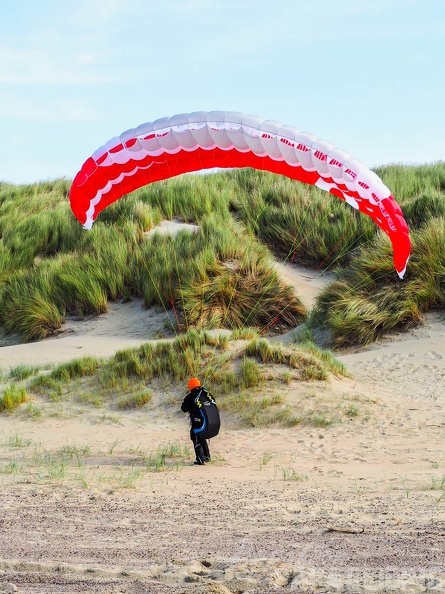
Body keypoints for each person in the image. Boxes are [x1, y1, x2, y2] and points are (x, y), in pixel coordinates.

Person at [181, 377, 219, 465]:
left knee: (195, 437)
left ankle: (200, 459)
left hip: (197, 422)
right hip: (208, 421)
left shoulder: (190, 396)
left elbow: (184, 408)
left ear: (190, 386)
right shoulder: (206, 394)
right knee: (202, 436)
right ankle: (207, 456)